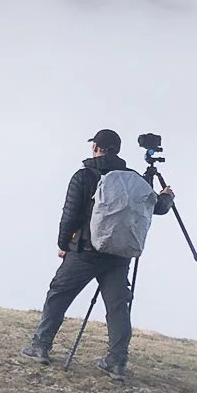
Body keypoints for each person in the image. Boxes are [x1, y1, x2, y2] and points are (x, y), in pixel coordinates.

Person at [21, 128, 172, 377]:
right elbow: (155, 207)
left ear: (96, 147)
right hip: (119, 255)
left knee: (59, 294)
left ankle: (40, 345)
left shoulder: (83, 176)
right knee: (118, 308)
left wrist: (62, 244)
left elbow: (69, 215)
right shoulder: (134, 179)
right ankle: (117, 362)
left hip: (85, 251)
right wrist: (167, 197)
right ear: (118, 150)